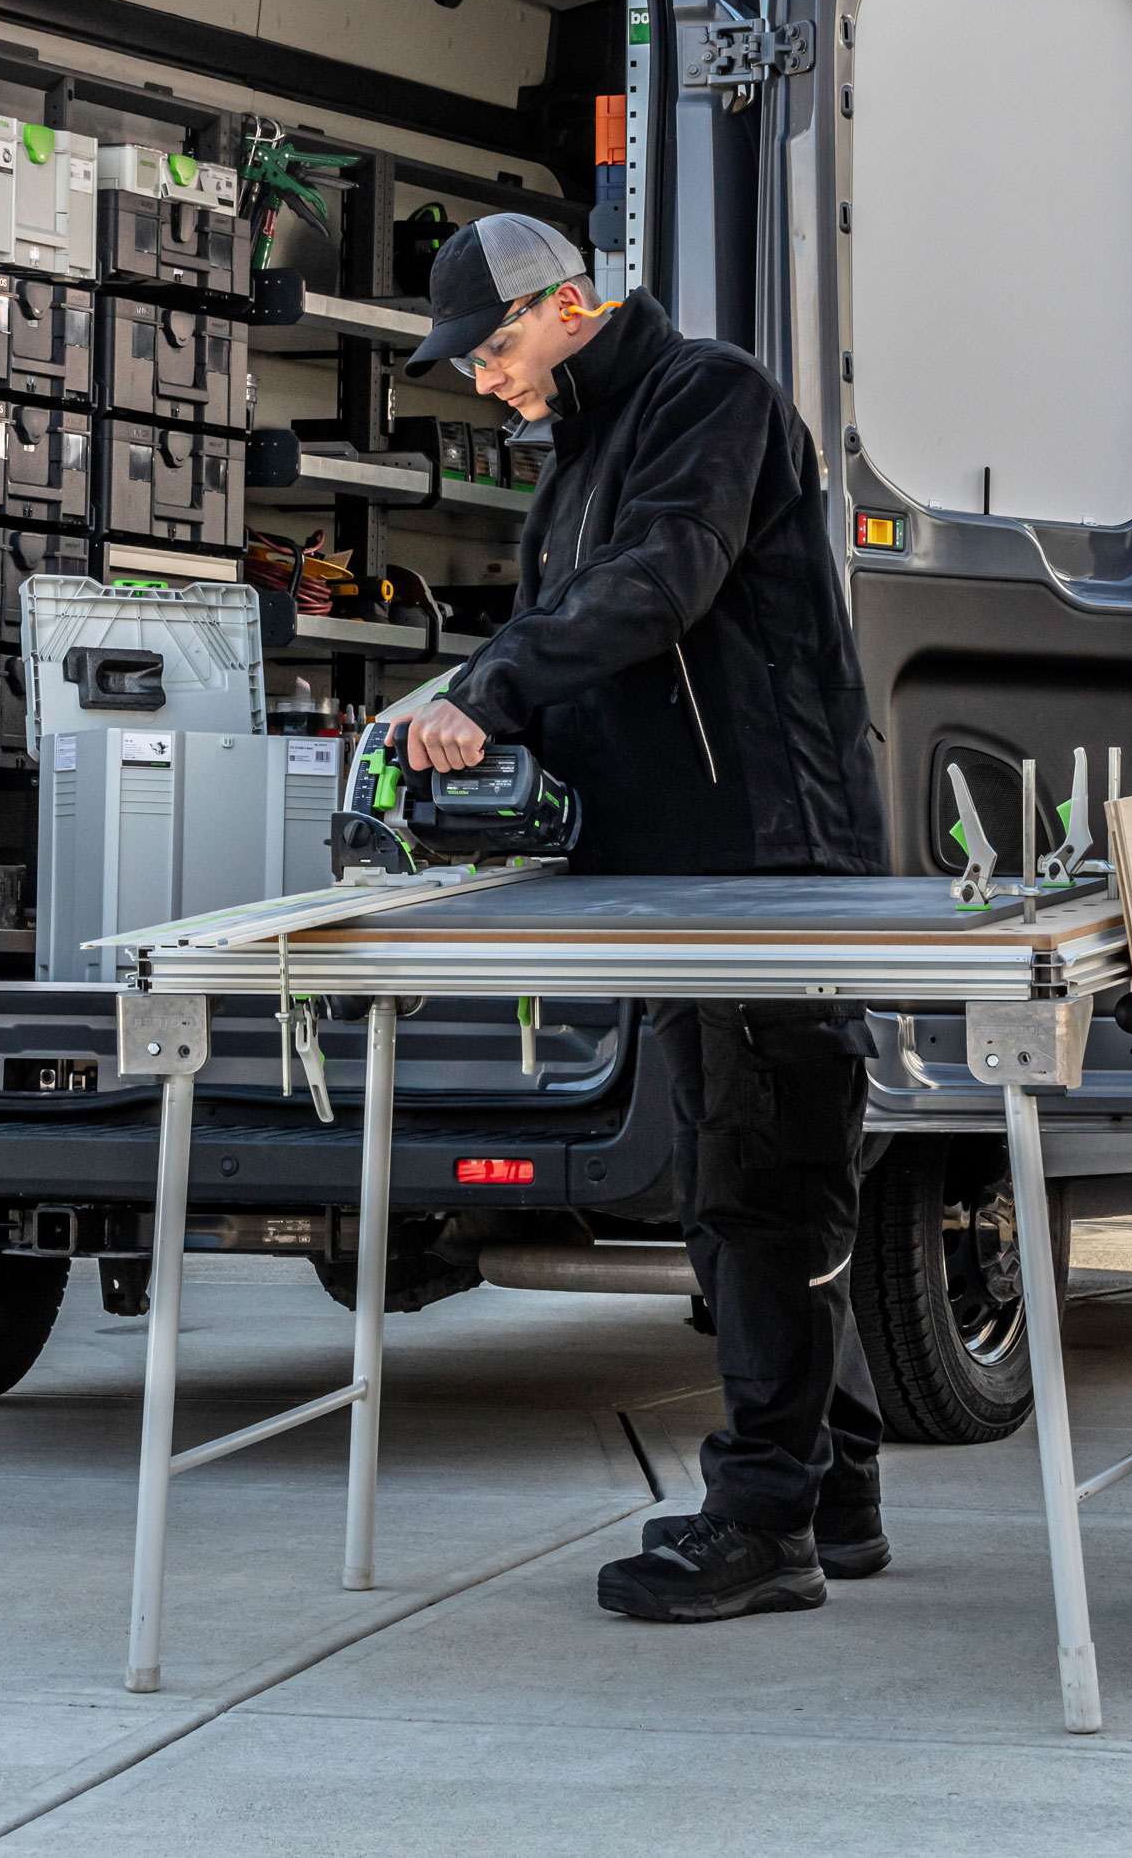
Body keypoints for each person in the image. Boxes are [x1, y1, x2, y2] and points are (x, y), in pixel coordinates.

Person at [399, 213, 891, 1625]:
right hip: (671, 874)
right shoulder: (573, 465)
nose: (484, 380)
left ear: (569, 304)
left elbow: (659, 586)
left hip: (768, 859)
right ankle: (830, 1481)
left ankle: (761, 1519)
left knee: (762, 1180)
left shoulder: (709, 398)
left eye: (494, 348)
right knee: (745, 1177)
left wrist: (487, 686)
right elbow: (579, 657)